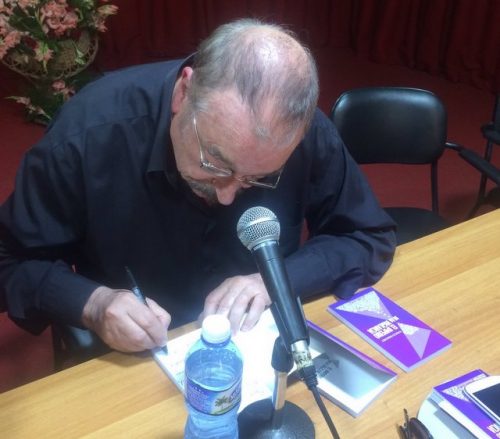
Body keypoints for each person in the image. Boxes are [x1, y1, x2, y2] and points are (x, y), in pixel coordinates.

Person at [0, 19, 396, 354]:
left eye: (259, 178)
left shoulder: (303, 133)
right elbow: (11, 261)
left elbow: (367, 236)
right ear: (184, 92)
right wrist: (94, 304)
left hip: (258, 346)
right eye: (214, 162)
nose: (226, 195)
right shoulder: (87, 135)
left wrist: (277, 280)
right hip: (134, 354)